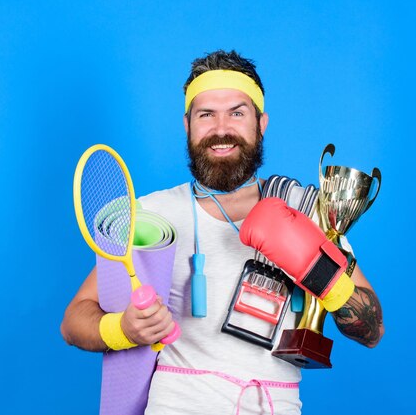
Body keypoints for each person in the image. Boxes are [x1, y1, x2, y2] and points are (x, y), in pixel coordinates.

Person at [61, 50, 384, 415]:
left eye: (236, 112)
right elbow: (74, 320)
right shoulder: (153, 215)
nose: (221, 129)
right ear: (187, 125)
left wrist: (318, 270)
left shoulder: (307, 210)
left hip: (275, 405)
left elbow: (373, 331)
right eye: (206, 115)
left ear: (261, 123)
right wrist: (123, 330)